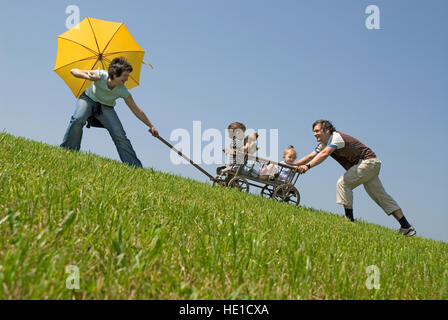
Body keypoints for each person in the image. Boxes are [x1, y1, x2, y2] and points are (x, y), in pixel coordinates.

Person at [295, 120, 416, 237]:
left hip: (368, 163)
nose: (314, 134)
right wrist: (293, 165)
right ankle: (406, 227)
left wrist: (307, 166)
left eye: (317, 131)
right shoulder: (324, 144)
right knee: (381, 196)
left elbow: (325, 154)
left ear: (326, 130)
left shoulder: (336, 137)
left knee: (343, 183)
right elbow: (311, 155)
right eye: (314, 131)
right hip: (369, 165)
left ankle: (349, 219)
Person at [60, 57, 158, 168]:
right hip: (88, 99)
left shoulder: (122, 90)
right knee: (77, 119)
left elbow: (136, 110)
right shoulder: (100, 75)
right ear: (115, 74)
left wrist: (151, 126)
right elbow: (73, 71)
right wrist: (89, 77)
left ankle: (134, 166)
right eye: (125, 75)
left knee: (119, 133)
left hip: (106, 107)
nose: (127, 79)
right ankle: (68, 150)